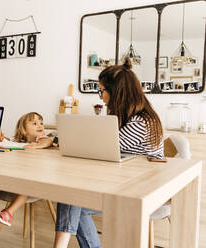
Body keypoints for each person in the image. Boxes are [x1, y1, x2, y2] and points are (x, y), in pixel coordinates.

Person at [53, 57, 164, 248]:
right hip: (119, 182)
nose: (101, 96)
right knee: (72, 196)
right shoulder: (125, 116)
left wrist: (58, 139)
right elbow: (101, 146)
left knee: (72, 197)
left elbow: (103, 145)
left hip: (140, 190)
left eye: (102, 91)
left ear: (117, 91)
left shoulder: (143, 122)